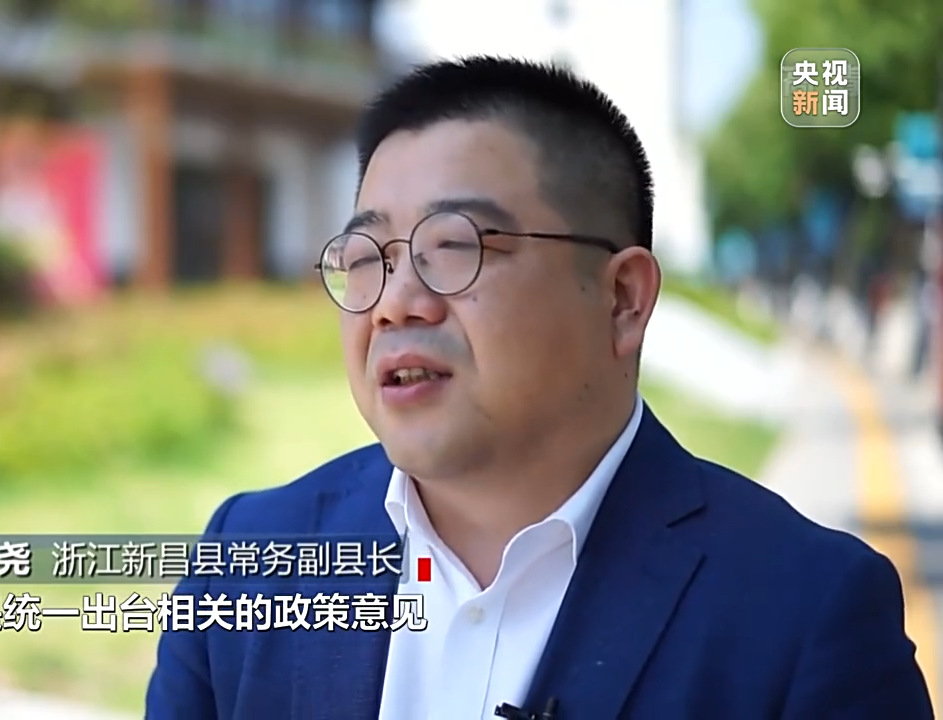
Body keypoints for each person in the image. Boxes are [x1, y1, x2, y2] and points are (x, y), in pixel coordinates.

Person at [145, 56, 932, 720]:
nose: (394, 304)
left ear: (622, 299)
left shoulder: (805, 614)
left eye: (454, 247)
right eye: (365, 259)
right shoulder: (250, 559)